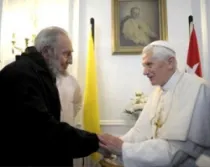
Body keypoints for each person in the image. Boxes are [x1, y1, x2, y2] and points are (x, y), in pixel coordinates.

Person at [0, 26, 102, 166]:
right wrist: (95, 141)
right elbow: (43, 129)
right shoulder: (21, 75)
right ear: (47, 51)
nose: (70, 61)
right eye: (66, 54)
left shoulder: (36, 73)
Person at [99, 40, 210, 167]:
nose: (144, 72)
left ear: (170, 62)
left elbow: (175, 152)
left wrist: (123, 148)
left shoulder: (197, 89)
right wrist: (112, 144)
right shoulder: (157, 91)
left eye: (149, 64)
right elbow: (139, 132)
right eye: (144, 65)